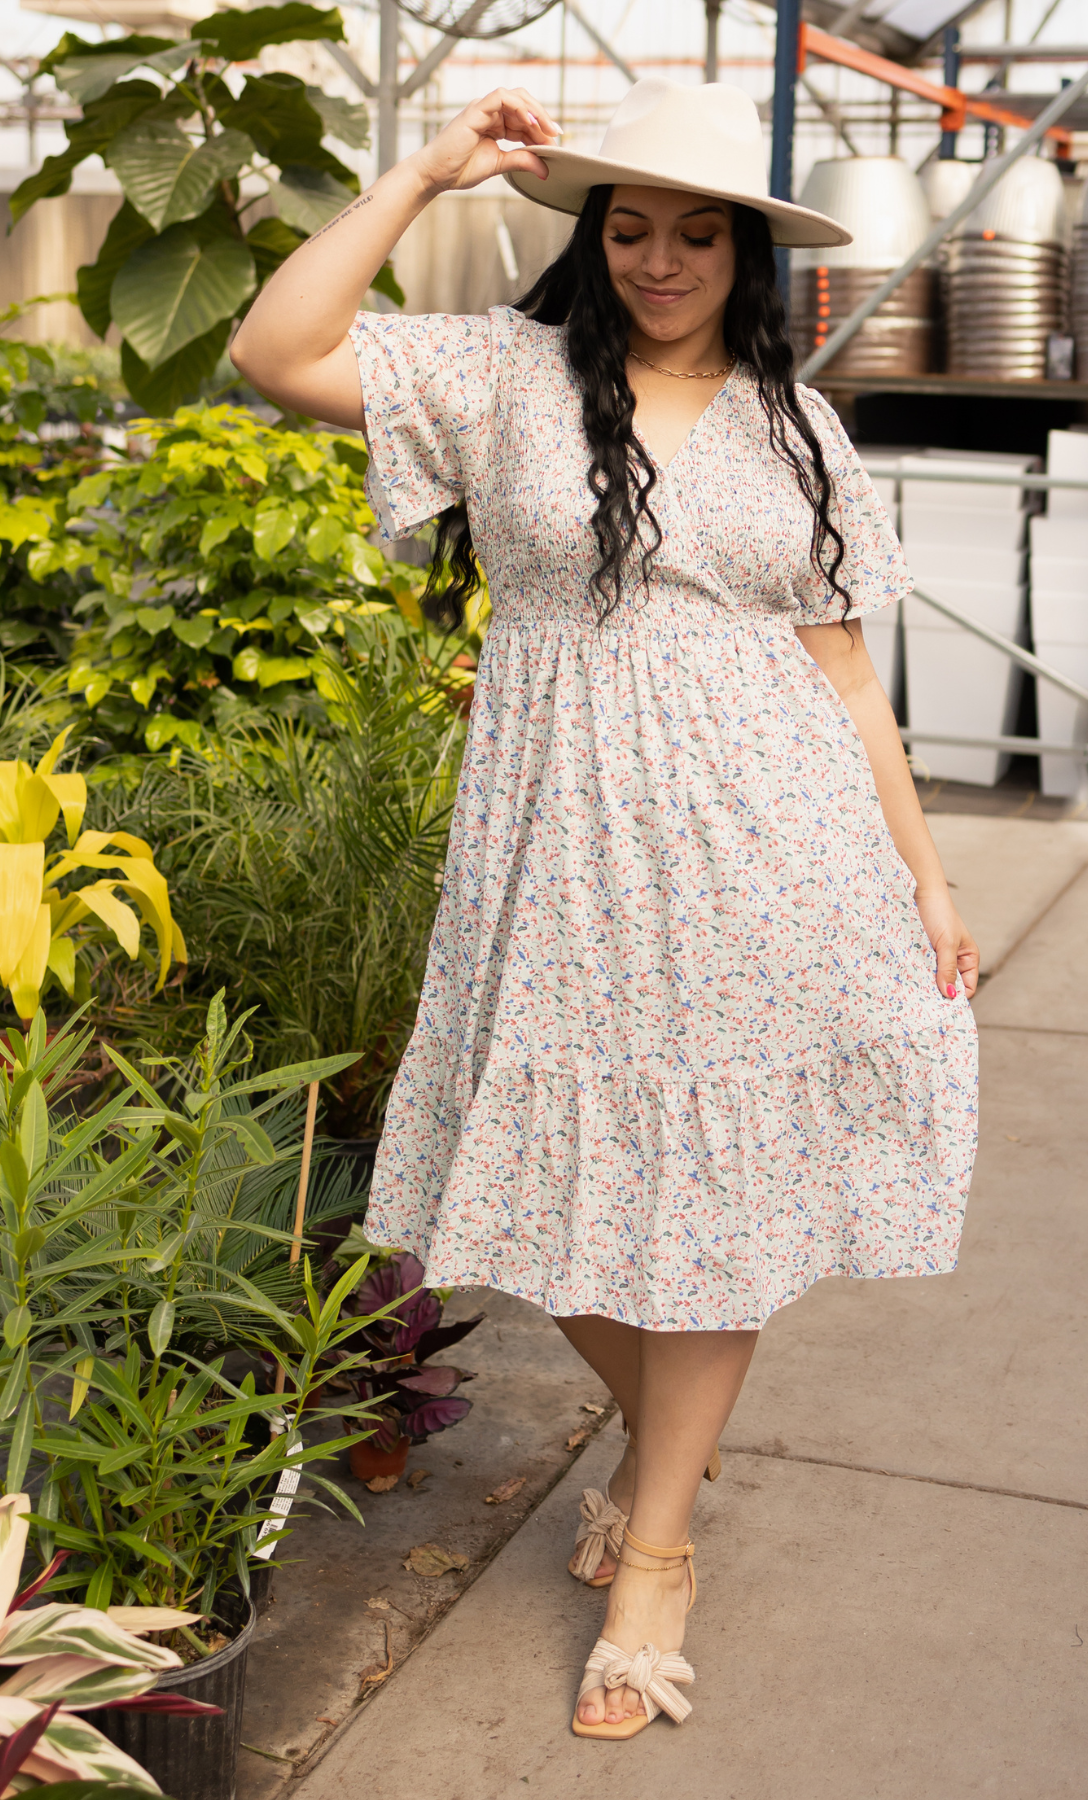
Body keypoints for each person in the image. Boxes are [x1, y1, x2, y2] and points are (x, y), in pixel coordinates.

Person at [231, 76, 980, 1744]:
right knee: (524, 1185)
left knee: (712, 1192)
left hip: (767, 842)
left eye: (693, 233)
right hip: (558, 849)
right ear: (595, 237)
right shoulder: (500, 374)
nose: (656, 261)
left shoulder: (797, 428)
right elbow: (274, 357)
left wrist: (924, 874)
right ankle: (669, 1459)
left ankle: (655, 1554)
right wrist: (419, 174)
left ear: (744, 253)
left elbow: (844, 665)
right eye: (627, 227)